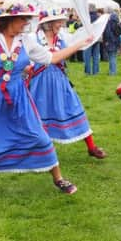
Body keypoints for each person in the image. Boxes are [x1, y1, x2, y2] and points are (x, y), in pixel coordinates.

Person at [0, 0, 93, 203]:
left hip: (19, 97)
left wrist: (79, 45)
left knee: (39, 136)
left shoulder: (26, 40)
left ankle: (58, 178)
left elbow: (51, 58)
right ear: (8, 20)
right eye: (22, 19)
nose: (26, 23)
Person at [28, 9, 107, 159]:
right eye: (57, 22)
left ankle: (91, 147)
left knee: (74, 108)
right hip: (40, 84)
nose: (61, 24)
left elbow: (79, 41)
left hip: (59, 81)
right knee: (39, 115)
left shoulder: (62, 36)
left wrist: (90, 36)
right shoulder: (33, 38)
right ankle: (39, 152)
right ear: (48, 24)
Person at [83, 4, 101, 75]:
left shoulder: (87, 17)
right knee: (96, 56)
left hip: (88, 38)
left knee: (87, 56)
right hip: (97, 38)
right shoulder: (98, 17)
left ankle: (87, 72)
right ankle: (96, 72)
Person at [103, 8, 121, 75]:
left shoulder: (109, 20)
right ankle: (113, 71)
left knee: (111, 57)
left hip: (111, 40)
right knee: (113, 56)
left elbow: (107, 32)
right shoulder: (116, 18)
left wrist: (107, 40)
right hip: (116, 39)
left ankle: (112, 72)